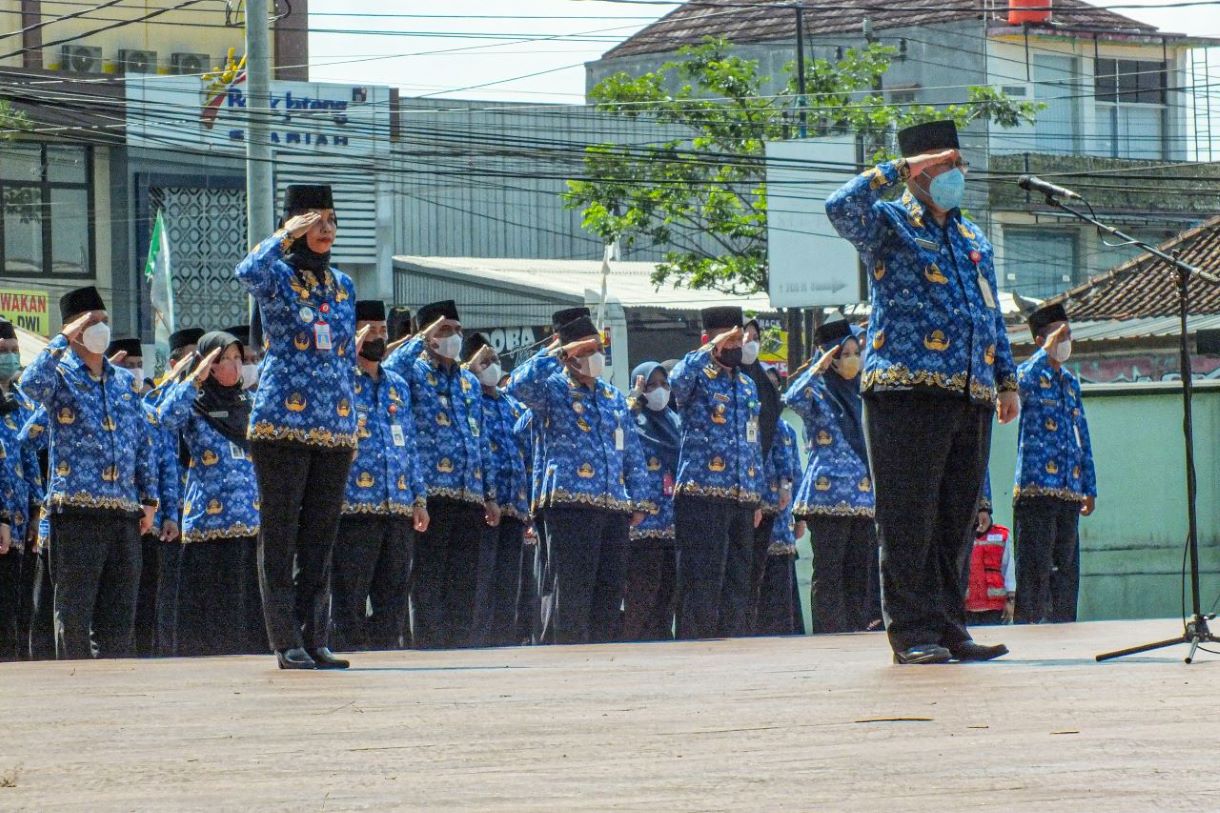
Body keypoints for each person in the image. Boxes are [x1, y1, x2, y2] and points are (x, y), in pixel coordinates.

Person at [826, 119, 1018, 664]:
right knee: (910, 516)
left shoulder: (971, 237)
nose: (956, 174)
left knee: (956, 517)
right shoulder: (888, 222)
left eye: (959, 164)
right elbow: (839, 205)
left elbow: (990, 313)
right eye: (943, 165)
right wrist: (896, 170)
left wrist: (1006, 381)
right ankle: (911, 633)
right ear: (917, 172)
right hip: (906, 392)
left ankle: (949, 626)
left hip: (970, 391)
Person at [236, 183, 358, 670]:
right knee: (282, 534)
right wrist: (284, 234)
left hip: (335, 425)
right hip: (281, 423)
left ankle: (315, 637)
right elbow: (245, 271)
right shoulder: (277, 276)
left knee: (320, 539)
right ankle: (284, 638)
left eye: (331, 219)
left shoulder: (344, 285)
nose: (325, 229)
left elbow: (345, 352)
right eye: (315, 220)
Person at [20, 286, 158, 660]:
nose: (101, 328)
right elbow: (29, 383)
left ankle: (115, 695)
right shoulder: (60, 377)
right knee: (75, 614)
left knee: (119, 616)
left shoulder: (123, 381)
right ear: (74, 328)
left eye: (104, 321)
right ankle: (75, 690)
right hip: (76, 513)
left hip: (123, 513)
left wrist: (149, 499)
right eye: (91, 322)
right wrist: (62, 340)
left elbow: (140, 440)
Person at [507, 314, 650, 643]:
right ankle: (564, 657)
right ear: (569, 355)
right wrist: (557, 351)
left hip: (613, 503)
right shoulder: (551, 390)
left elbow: (630, 449)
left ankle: (601, 658)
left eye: (598, 348)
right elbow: (516, 385)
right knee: (569, 589)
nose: (595, 356)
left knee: (609, 590)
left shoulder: (612, 396)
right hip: (568, 504)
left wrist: (640, 498)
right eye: (586, 350)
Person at [383, 299, 499, 649]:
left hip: (469, 494)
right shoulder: (413, 372)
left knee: (464, 577)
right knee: (427, 576)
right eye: (444, 331)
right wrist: (421, 338)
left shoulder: (468, 381)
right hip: (431, 493)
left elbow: (479, 436)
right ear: (428, 336)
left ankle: (459, 644)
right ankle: (429, 646)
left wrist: (490, 494)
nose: (452, 337)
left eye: (456, 331)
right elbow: (390, 366)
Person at [157, 331, 265, 656]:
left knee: (249, 613)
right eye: (224, 359)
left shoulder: (252, 404)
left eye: (238, 358)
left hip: (251, 522)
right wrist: (193, 381)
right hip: (209, 524)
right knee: (212, 614)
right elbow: (163, 418)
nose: (235, 366)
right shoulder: (195, 405)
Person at [331, 300, 428, 652]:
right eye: (369, 330)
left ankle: (387, 653)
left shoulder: (397, 385)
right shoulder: (338, 379)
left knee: (393, 594)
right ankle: (351, 654)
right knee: (349, 594)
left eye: (382, 330)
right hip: (353, 506)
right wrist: (343, 356)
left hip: (397, 506)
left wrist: (419, 499)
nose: (377, 336)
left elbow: (410, 444)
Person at [669, 306, 765, 640]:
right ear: (713, 340)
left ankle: (733, 647)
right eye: (733, 338)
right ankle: (698, 648)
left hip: (741, 497)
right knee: (702, 580)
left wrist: (757, 496)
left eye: (742, 338)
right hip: (702, 495)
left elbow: (753, 442)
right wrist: (709, 350)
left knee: (738, 580)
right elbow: (674, 383)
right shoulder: (696, 375)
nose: (740, 344)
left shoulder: (748, 385)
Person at [783, 320, 876, 634]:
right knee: (829, 571)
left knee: (858, 572)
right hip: (826, 495)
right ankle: (829, 633)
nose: (851, 359)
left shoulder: (862, 391)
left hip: (863, 496)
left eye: (854, 352)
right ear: (829, 357)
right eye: (843, 353)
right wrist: (816, 369)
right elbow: (791, 398)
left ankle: (855, 630)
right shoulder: (817, 391)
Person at [1013, 303, 1097, 624]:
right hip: (1037, 490)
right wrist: (1044, 354)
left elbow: (1082, 437)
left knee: (1066, 575)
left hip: (1069, 490)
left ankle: (1066, 633)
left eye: (1068, 334)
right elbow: (1015, 385)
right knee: (1034, 572)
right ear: (1039, 339)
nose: (1065, 340)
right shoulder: (1030, 374)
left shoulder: (1071, 383)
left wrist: (1089, 486)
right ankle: (1030, 633)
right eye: (1058, 335)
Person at [465, 333, 530, 647]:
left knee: (508, 580)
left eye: (494, 360)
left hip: (514, 505)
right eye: (484, 361)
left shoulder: (512, 404)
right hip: (481, 505)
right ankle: (477, 640)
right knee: (480, 577)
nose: (491, 367)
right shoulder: (469, 398)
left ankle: (505, 639)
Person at [621, 361, 681, 642]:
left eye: (664, 384)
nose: (659, 390)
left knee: (667, 592)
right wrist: (634, 397)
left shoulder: (675, 421)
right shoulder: (631, 419)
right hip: (642, 524)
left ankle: (661, 646)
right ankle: (634, 644)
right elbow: (616, 424)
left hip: (671, 523)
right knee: (642, 591)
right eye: (651, 385)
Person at [739, 318, 787, 626]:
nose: (750, 342)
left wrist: (783, 482)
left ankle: (749, 626)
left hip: (764, 492)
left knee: (755, 568)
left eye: (755, 337)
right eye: (744, 336)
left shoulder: (763, 386)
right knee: (736, 568)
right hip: (734, 489)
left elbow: (776, 436)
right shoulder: (729, 381)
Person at [0, 318, 41, 661]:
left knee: (19, 607)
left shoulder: (22, 401)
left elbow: (30, 460)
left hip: (19, 525)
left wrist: (35, 513)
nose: (10, 357)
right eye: (3, 352)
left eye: (14, 350)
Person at [755, 398, 802, 637]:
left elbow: (795, 471)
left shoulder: (786, 429)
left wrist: (800, 516)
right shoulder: (751, 424)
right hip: (756, 513)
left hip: (783, 519)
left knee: (781, 585)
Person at [966, 490, 1016, 626]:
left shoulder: (1003, 535)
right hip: (967, 607)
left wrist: (1011, 600)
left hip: (994, 608)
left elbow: (1009, 570)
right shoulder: (963, 537)